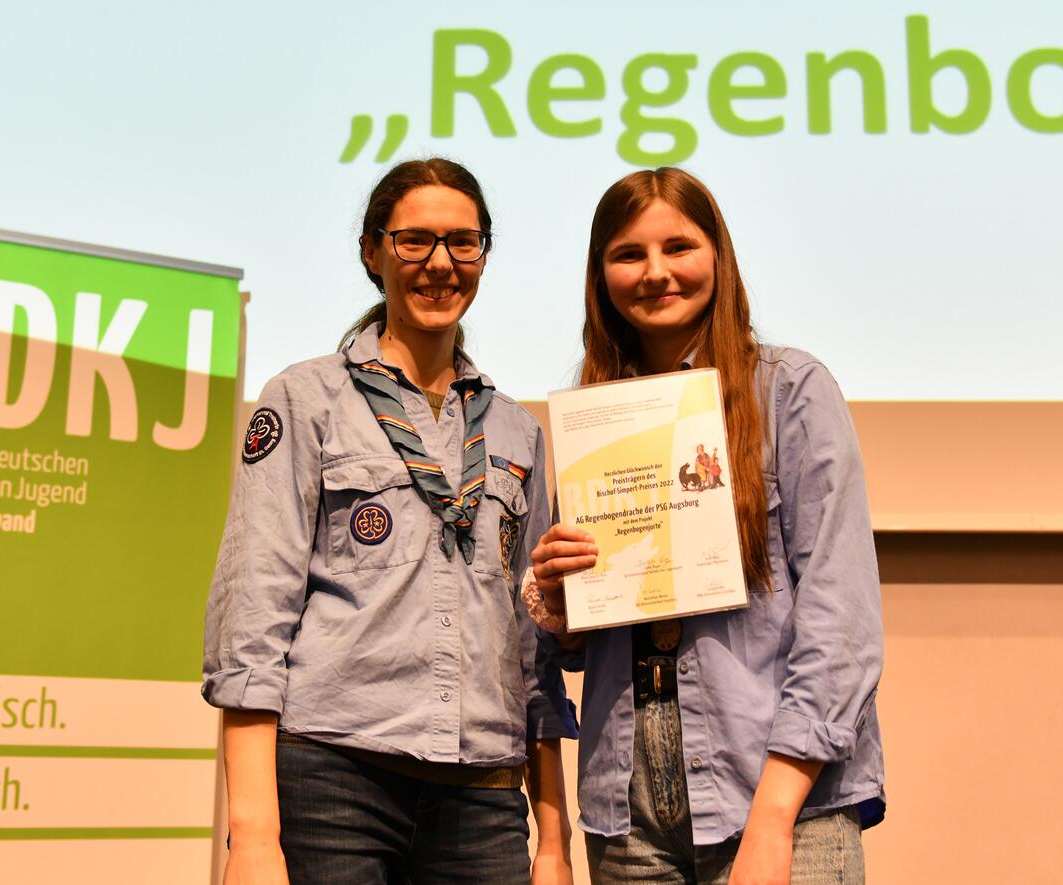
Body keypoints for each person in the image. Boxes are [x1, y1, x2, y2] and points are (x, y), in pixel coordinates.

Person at [203, 158, 577, 885]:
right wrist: (252, 838)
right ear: (374, 252)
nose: (440, 264)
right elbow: (253, 619)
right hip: (332, 783)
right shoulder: (307, 399)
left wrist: (555, 842)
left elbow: (533, 655)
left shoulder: (517, 432)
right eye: (415, 241)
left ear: (483, 257)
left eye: (463, 243)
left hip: (483, 796)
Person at [527, 168, 884, 884]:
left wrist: (775, 815)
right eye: (628, 254)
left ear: (717, 255)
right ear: (600, 275)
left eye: (678, 247)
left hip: (778, 791)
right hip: (627, 811)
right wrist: (560, 604)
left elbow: (841, 623)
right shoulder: (597, 418)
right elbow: (569, 648)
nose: (655, 272)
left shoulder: (790, 391)